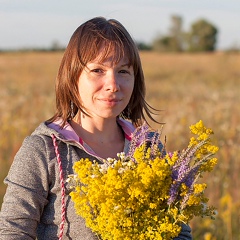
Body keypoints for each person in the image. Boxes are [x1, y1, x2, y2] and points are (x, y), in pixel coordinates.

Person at [0, 17, 192, 239]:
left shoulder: (149, 149)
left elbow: (178, 230)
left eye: (123, 71)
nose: (113, 85)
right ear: (73, 77)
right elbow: (13, 232)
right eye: (98, 70)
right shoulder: (43, 151)